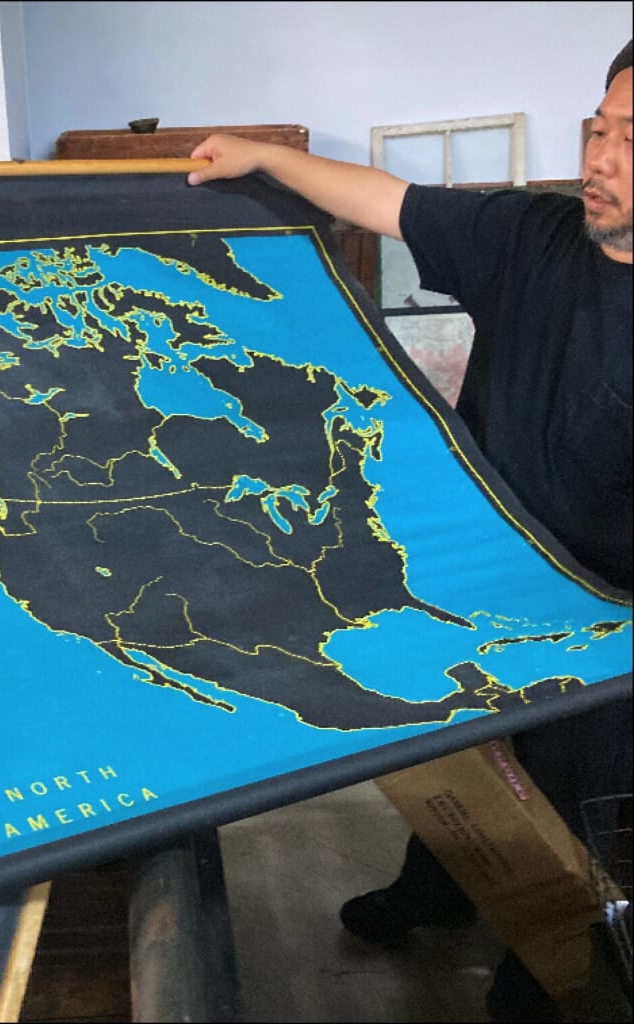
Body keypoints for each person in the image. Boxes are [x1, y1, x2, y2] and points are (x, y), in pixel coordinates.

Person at [188, 40, 633, 1023]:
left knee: (572, 815)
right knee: (460, 744)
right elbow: (387, 201)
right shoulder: (531, 236)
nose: (600, 159)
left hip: (608, 629)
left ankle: (546, 967)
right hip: (487, 575)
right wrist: (266, 158)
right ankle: (434, 886)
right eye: (597, 129)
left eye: (631, 140)